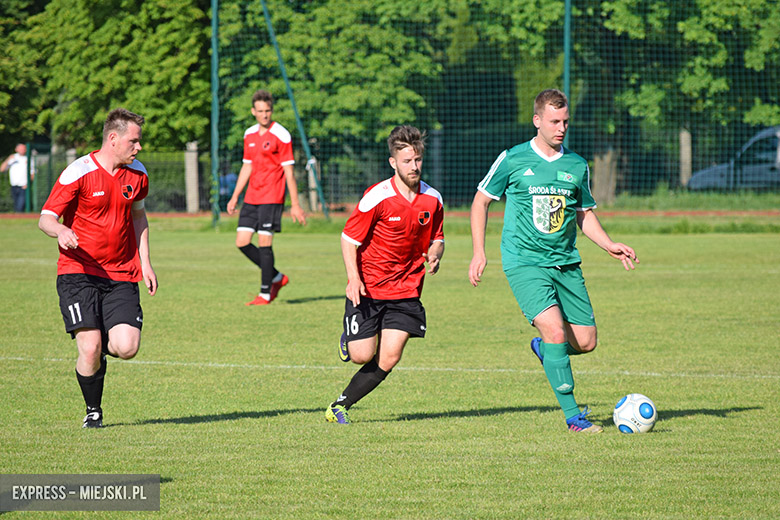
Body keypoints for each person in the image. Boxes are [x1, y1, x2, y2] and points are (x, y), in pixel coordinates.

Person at [468, 89, 638, 433]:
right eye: (554, 121)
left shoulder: (576, 165)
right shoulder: (513, 159)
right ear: (537, 121)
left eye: (565, 122)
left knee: (586, 341)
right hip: (524, 261)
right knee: (555, 329)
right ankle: (574, 416)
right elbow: (480, 202)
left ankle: (547, 350)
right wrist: (479, 252)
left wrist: (608, 245)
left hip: (566, 262)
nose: (561, 128)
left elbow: (582, 213)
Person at [38, 108, 158, 428]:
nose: (139, 147)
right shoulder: (79, 171)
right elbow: (45, 218)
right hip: (78, 272)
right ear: (113, 139)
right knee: (90, 348)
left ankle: (100, 337)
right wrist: (61, 231)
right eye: (134, 141)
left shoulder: (138, 174)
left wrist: (145, 262)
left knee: (127, 347)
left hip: (121, 273)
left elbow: (139, 216)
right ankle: (93, 411)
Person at [325, 125, 445, 425]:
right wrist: (353, 278)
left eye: (417, 160)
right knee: (362, 355)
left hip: (406, 290)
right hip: (368, 288)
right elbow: (348, 239)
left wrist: (436, 252)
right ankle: (350, 336)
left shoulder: (433, 199)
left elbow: (438, 237)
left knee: (389, 357)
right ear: (393, 162)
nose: (414, 166)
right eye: (407, 161)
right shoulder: (377, 197)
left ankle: (339, 406)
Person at [227, 89, 306, 306]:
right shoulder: (249, 134)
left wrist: (296, 205)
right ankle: (277, 277)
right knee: (242, 242)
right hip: (252, 196)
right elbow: (247, 166)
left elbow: (289, 172)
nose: (264, 115)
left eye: (268, 111)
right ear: (253, 111)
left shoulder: (282, 135)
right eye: (260, 111)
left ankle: (264, 294)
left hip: (272, 196)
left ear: (272, 111)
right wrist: (235, 196)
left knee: (264, 242)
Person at [1, 143, 34, 212]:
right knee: (16, 204)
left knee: (20, 205)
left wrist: (28, 183)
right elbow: (2, 169)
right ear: (16, 149)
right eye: (20, 148)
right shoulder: (13, 158)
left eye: (24, 148)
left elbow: (32, 173)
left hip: (23, 186)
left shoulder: (28, 158)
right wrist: (8, 159)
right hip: (14, 185)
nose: (22, 150)